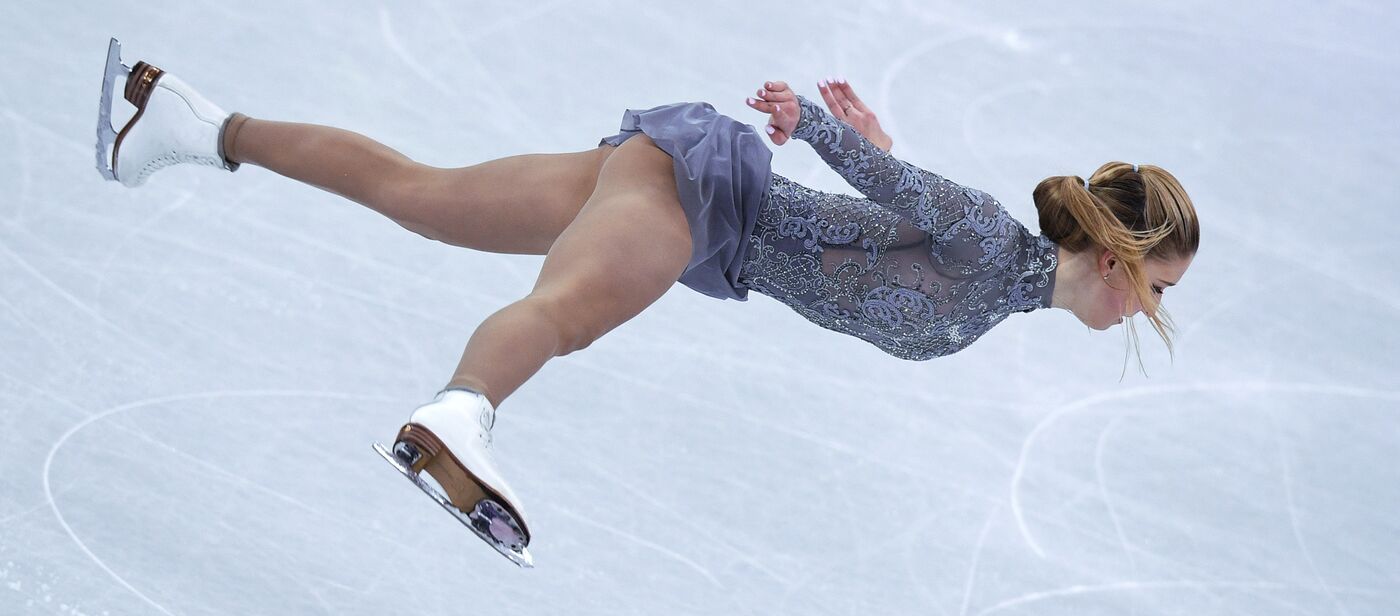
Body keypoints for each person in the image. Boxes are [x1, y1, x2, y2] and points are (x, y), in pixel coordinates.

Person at [95, 43, 1198, 566]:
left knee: (422, 198)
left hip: (687, 197)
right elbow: (903, 192)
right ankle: (459, 412)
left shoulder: (996, 284)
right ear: (1116, 259)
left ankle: (190, 122)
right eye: (1157, 288)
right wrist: (814, 125)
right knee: (566, 312)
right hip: (699, 199)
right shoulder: (994, 244)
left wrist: (867, 147)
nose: (1147, 314)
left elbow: (896, 212)